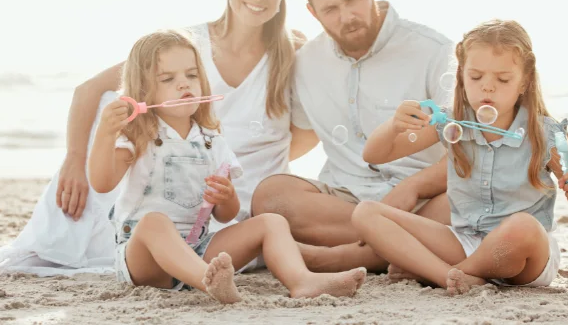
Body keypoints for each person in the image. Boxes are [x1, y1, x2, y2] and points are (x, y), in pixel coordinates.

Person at [0, 0, 311, 275]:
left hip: (232, 196)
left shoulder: (291, 51)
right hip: (177, 189)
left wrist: (237, 160)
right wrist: (75, 160)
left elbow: (309, 131)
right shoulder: (185, 46)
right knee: (117, 103)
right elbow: (88, 90)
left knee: (271, 235)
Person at [92, 28, 366, 302]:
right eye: (167, 79)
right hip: (146, 260)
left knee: (271, 222)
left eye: (192, 75)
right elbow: (102, 183)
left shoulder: (212, 141)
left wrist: (227, 197)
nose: (184, 85)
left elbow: (225, 215)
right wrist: (105, 134)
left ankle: (302, 280)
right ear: (142, 90)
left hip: (198, 249)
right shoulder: (138, 136)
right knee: (154, 223)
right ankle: (208, 281)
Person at [353, 19, 568, 294]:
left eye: (502, 79)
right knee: (366, 212)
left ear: (524, 81)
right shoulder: (451, 122)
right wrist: (394, 126)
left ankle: (449, 271)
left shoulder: (542, 133)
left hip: (522, 255)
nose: (487, 87)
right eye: (476, 77)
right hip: (464, 241)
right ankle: (449, 276)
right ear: (461, 75)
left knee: (522, 226)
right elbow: (374, 154)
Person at [251, 0, 454, 272]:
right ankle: (395, 249)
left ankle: (343, 257)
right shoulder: (305, 63)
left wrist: (413, 186)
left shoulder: (435, 51)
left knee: (464, 202)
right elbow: (299, 136)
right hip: (346, 200)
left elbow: (467, 148)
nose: (347, 17)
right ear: (312, 12)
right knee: (271, 197)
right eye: (330, 9)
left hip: (420, 201)